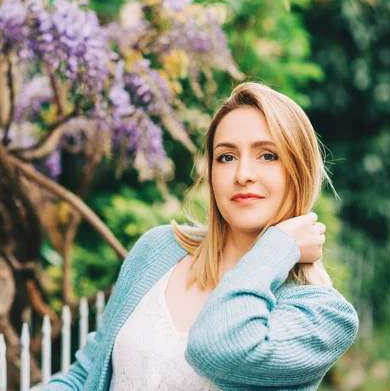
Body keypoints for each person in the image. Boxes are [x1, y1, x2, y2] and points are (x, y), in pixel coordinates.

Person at [43, 82, 359, 391]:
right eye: (226, 157)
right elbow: (85, 376)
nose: (243, 174)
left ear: (298, 170)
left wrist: (277, 248)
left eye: (267, 156)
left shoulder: (322, 315)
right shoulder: (159, 250)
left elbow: (215, 347)